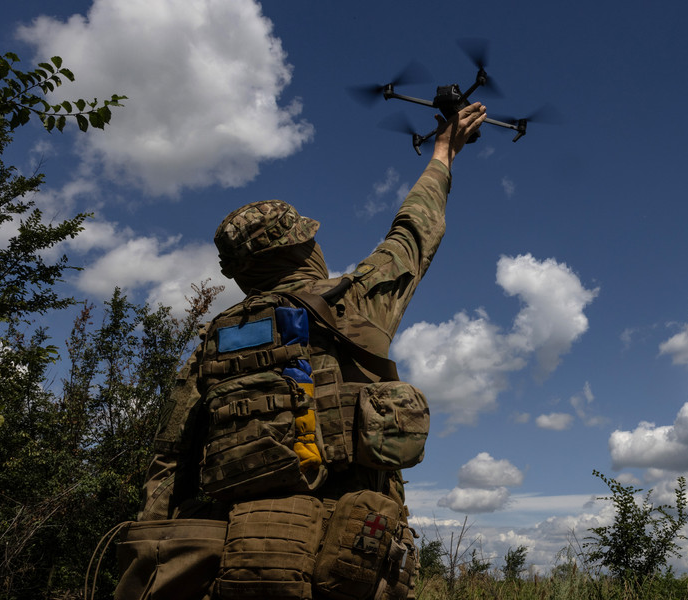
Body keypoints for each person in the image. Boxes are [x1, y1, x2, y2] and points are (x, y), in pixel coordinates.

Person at [113, 102, 488, 600]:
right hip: (349, 557)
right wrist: (444, 151)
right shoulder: (354, 302)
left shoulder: (212, 342)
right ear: (302, 246)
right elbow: (415, 232)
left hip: (238, 562)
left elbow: (167, 464)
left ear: (242, 271)